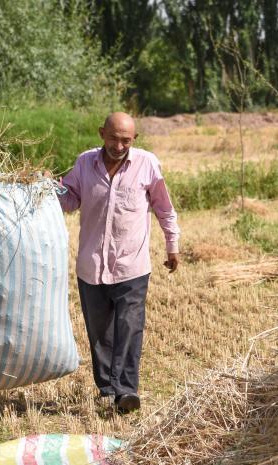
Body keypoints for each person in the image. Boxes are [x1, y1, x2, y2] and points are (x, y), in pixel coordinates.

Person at [58, 112, 180, 415]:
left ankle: (126, 390)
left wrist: (172, 245)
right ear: (102, 133)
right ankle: (106, 389)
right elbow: (70, 199)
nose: (119, 145)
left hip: (132, 265)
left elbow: (164, 208)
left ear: (134, 140)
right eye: (113, 138)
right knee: (99, 332)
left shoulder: (147, 163)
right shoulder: (85, 162)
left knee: (129, 327)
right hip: (92, 264)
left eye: (126, 140)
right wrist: (45, 190)